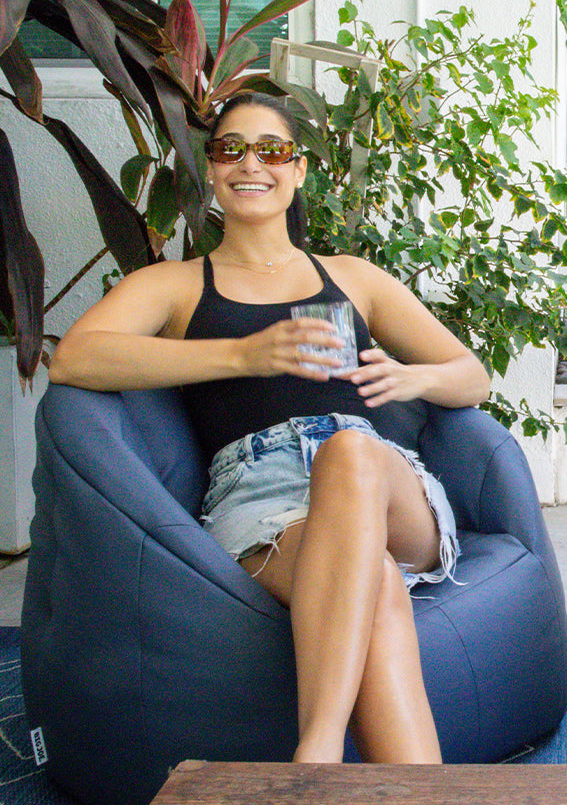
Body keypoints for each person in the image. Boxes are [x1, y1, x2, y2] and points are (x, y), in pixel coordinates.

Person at [50, 91, 490, 766]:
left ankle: (315, 755)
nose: (250, 163)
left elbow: (472, 375)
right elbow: (77, 358)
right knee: (369, 579)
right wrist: (242, 355)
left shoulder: (352, 277)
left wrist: (416, 379)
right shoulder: (175, 284)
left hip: (381, 483)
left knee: (351, 453)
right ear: (211, 169)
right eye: (230, 149)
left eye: (271, 149)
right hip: (260, 500)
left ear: (299, 169)